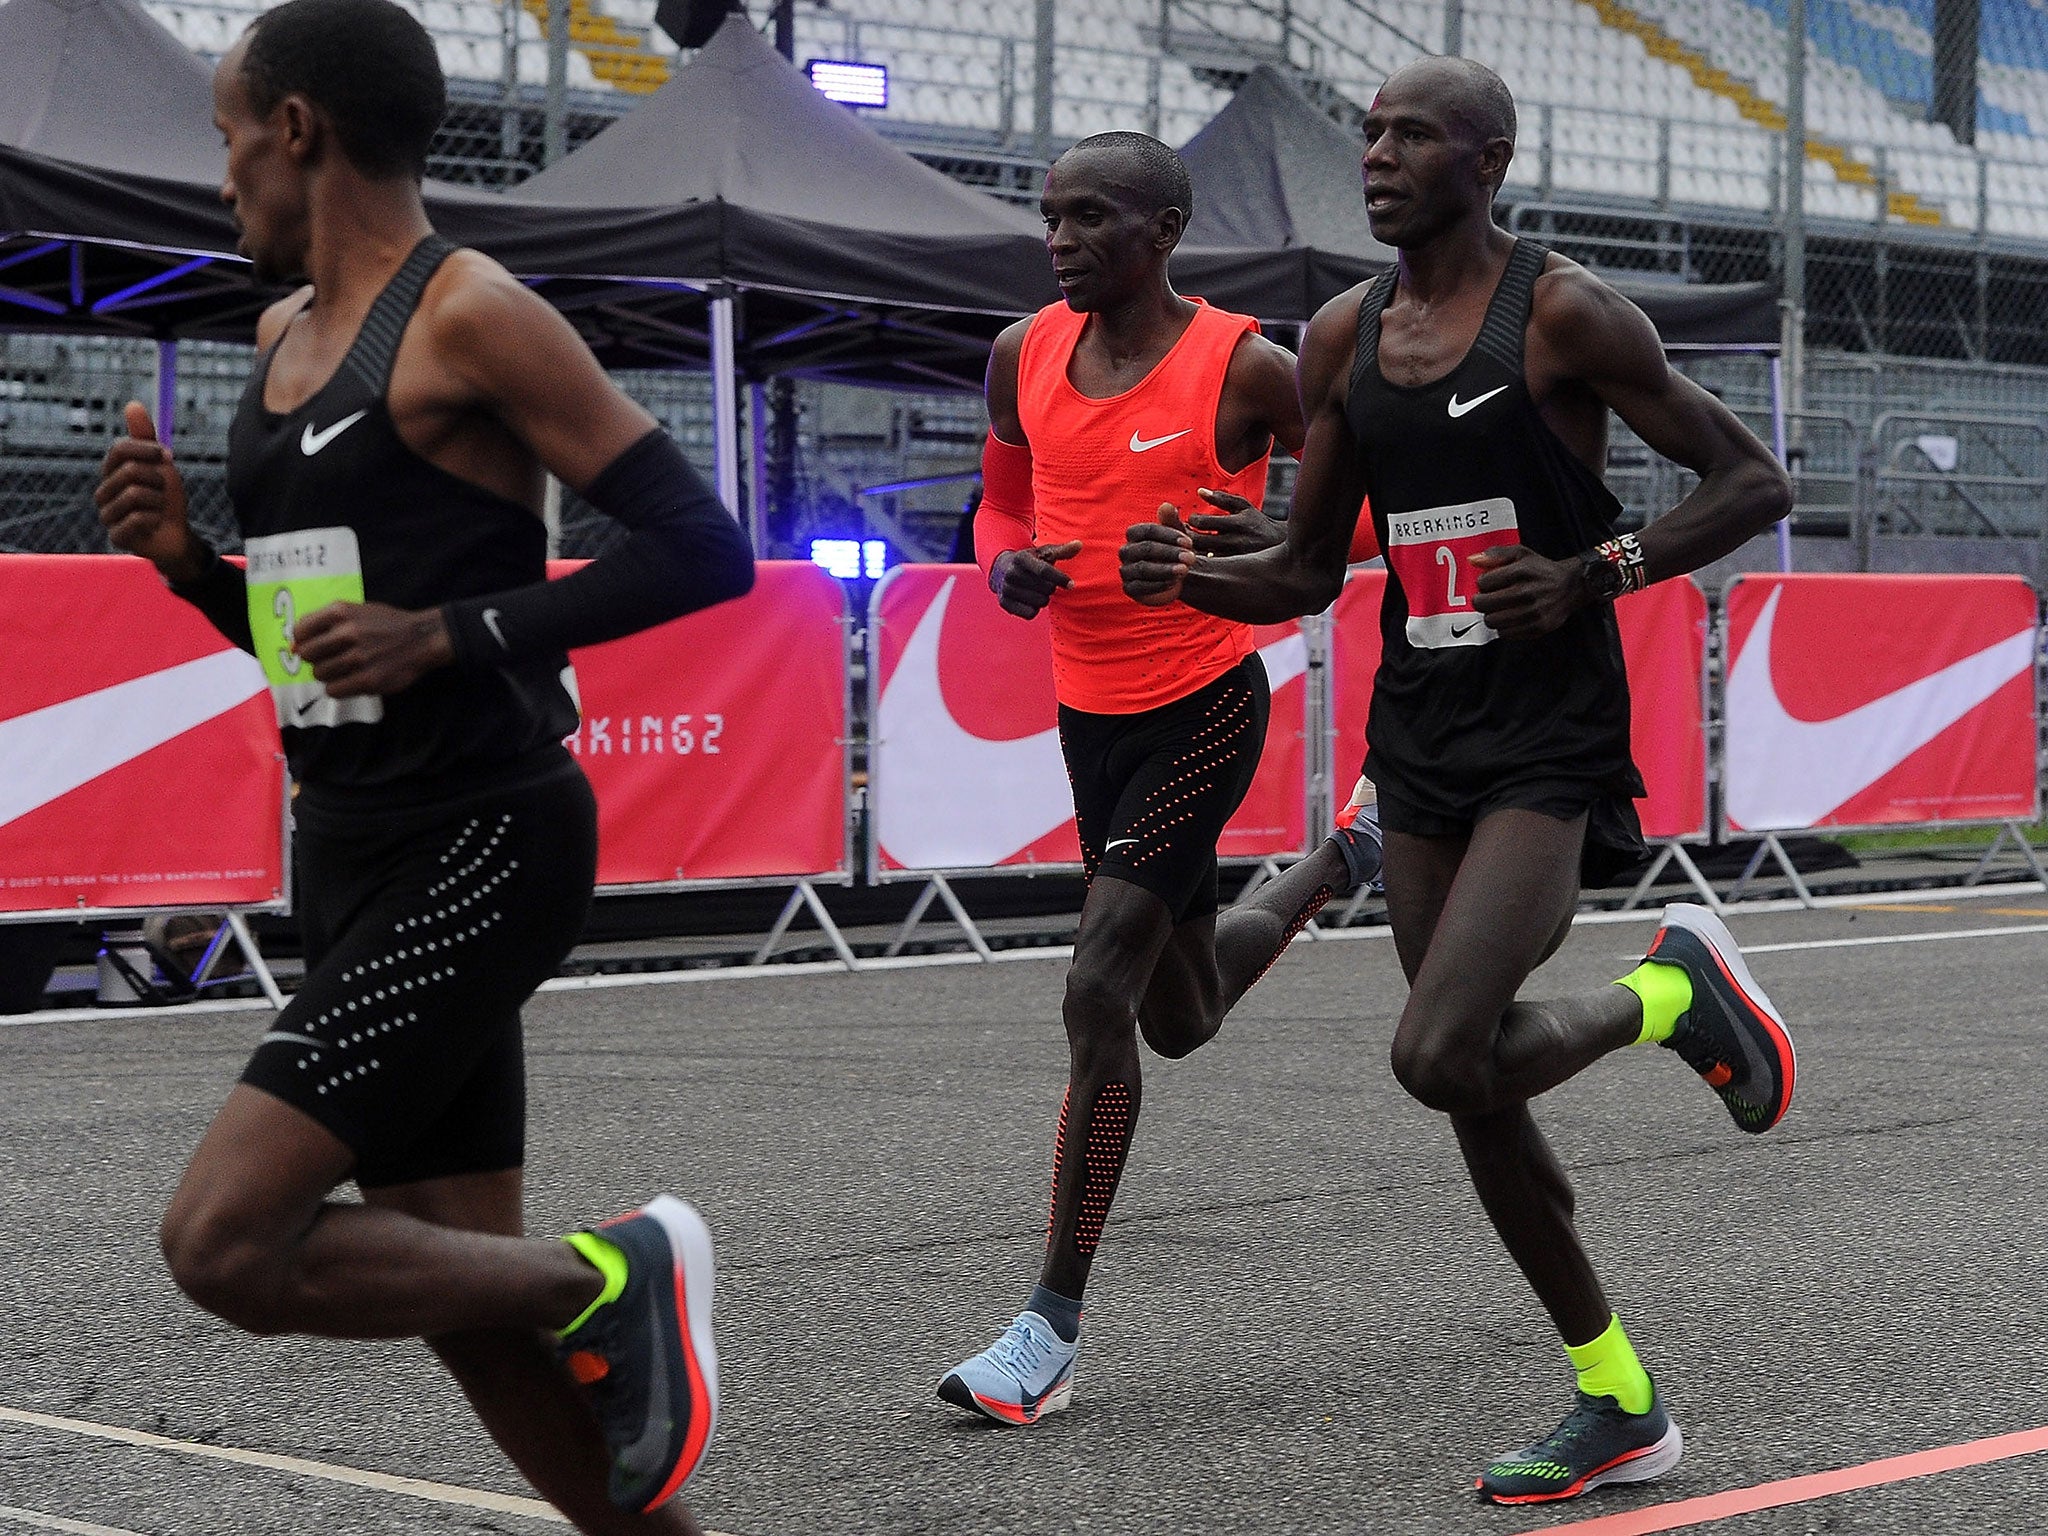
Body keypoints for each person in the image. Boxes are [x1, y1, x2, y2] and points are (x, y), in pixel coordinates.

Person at [92, 2, 752, 1527]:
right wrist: (193, 566)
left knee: (229, 1244)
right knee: (462, 1303)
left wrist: (450, 636)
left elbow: (704, 548)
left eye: (227, 139)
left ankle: (619, 1268)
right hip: (353, 837)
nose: (222, 178)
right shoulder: (277, 338)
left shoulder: (468, 313)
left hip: (485, 839)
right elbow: (318, 634)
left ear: (300, 128)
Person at [1120, 59, 1797, 1504]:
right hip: (1419, 729)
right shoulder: (1341, 335)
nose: (1378, 155)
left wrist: (1590, 571)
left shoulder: (1563, 313)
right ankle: (1618, 1401)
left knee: (1434, 1051)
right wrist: (1192, 573)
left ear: (1489, 160)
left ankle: (1668, 995)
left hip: (1547, 738)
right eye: (1370, 132)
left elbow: (1751, 482)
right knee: (1474, 1085)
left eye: (1411, 136)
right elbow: (1305, 571)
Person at [937, 132, 1384, 1426]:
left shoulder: (1246, 366)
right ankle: (1346, 856)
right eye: (1051, 217)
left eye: (1090, 219)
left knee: (1098, 987)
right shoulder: (1021, 354)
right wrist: (1005, 564)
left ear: (1166, 230)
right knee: (1180, 1014)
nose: (1061, 240)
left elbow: (1368, 506)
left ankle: (1047, 1333)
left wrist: (1277, 533)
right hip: (1092, 718)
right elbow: (1001, 505)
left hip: (1205, 705)